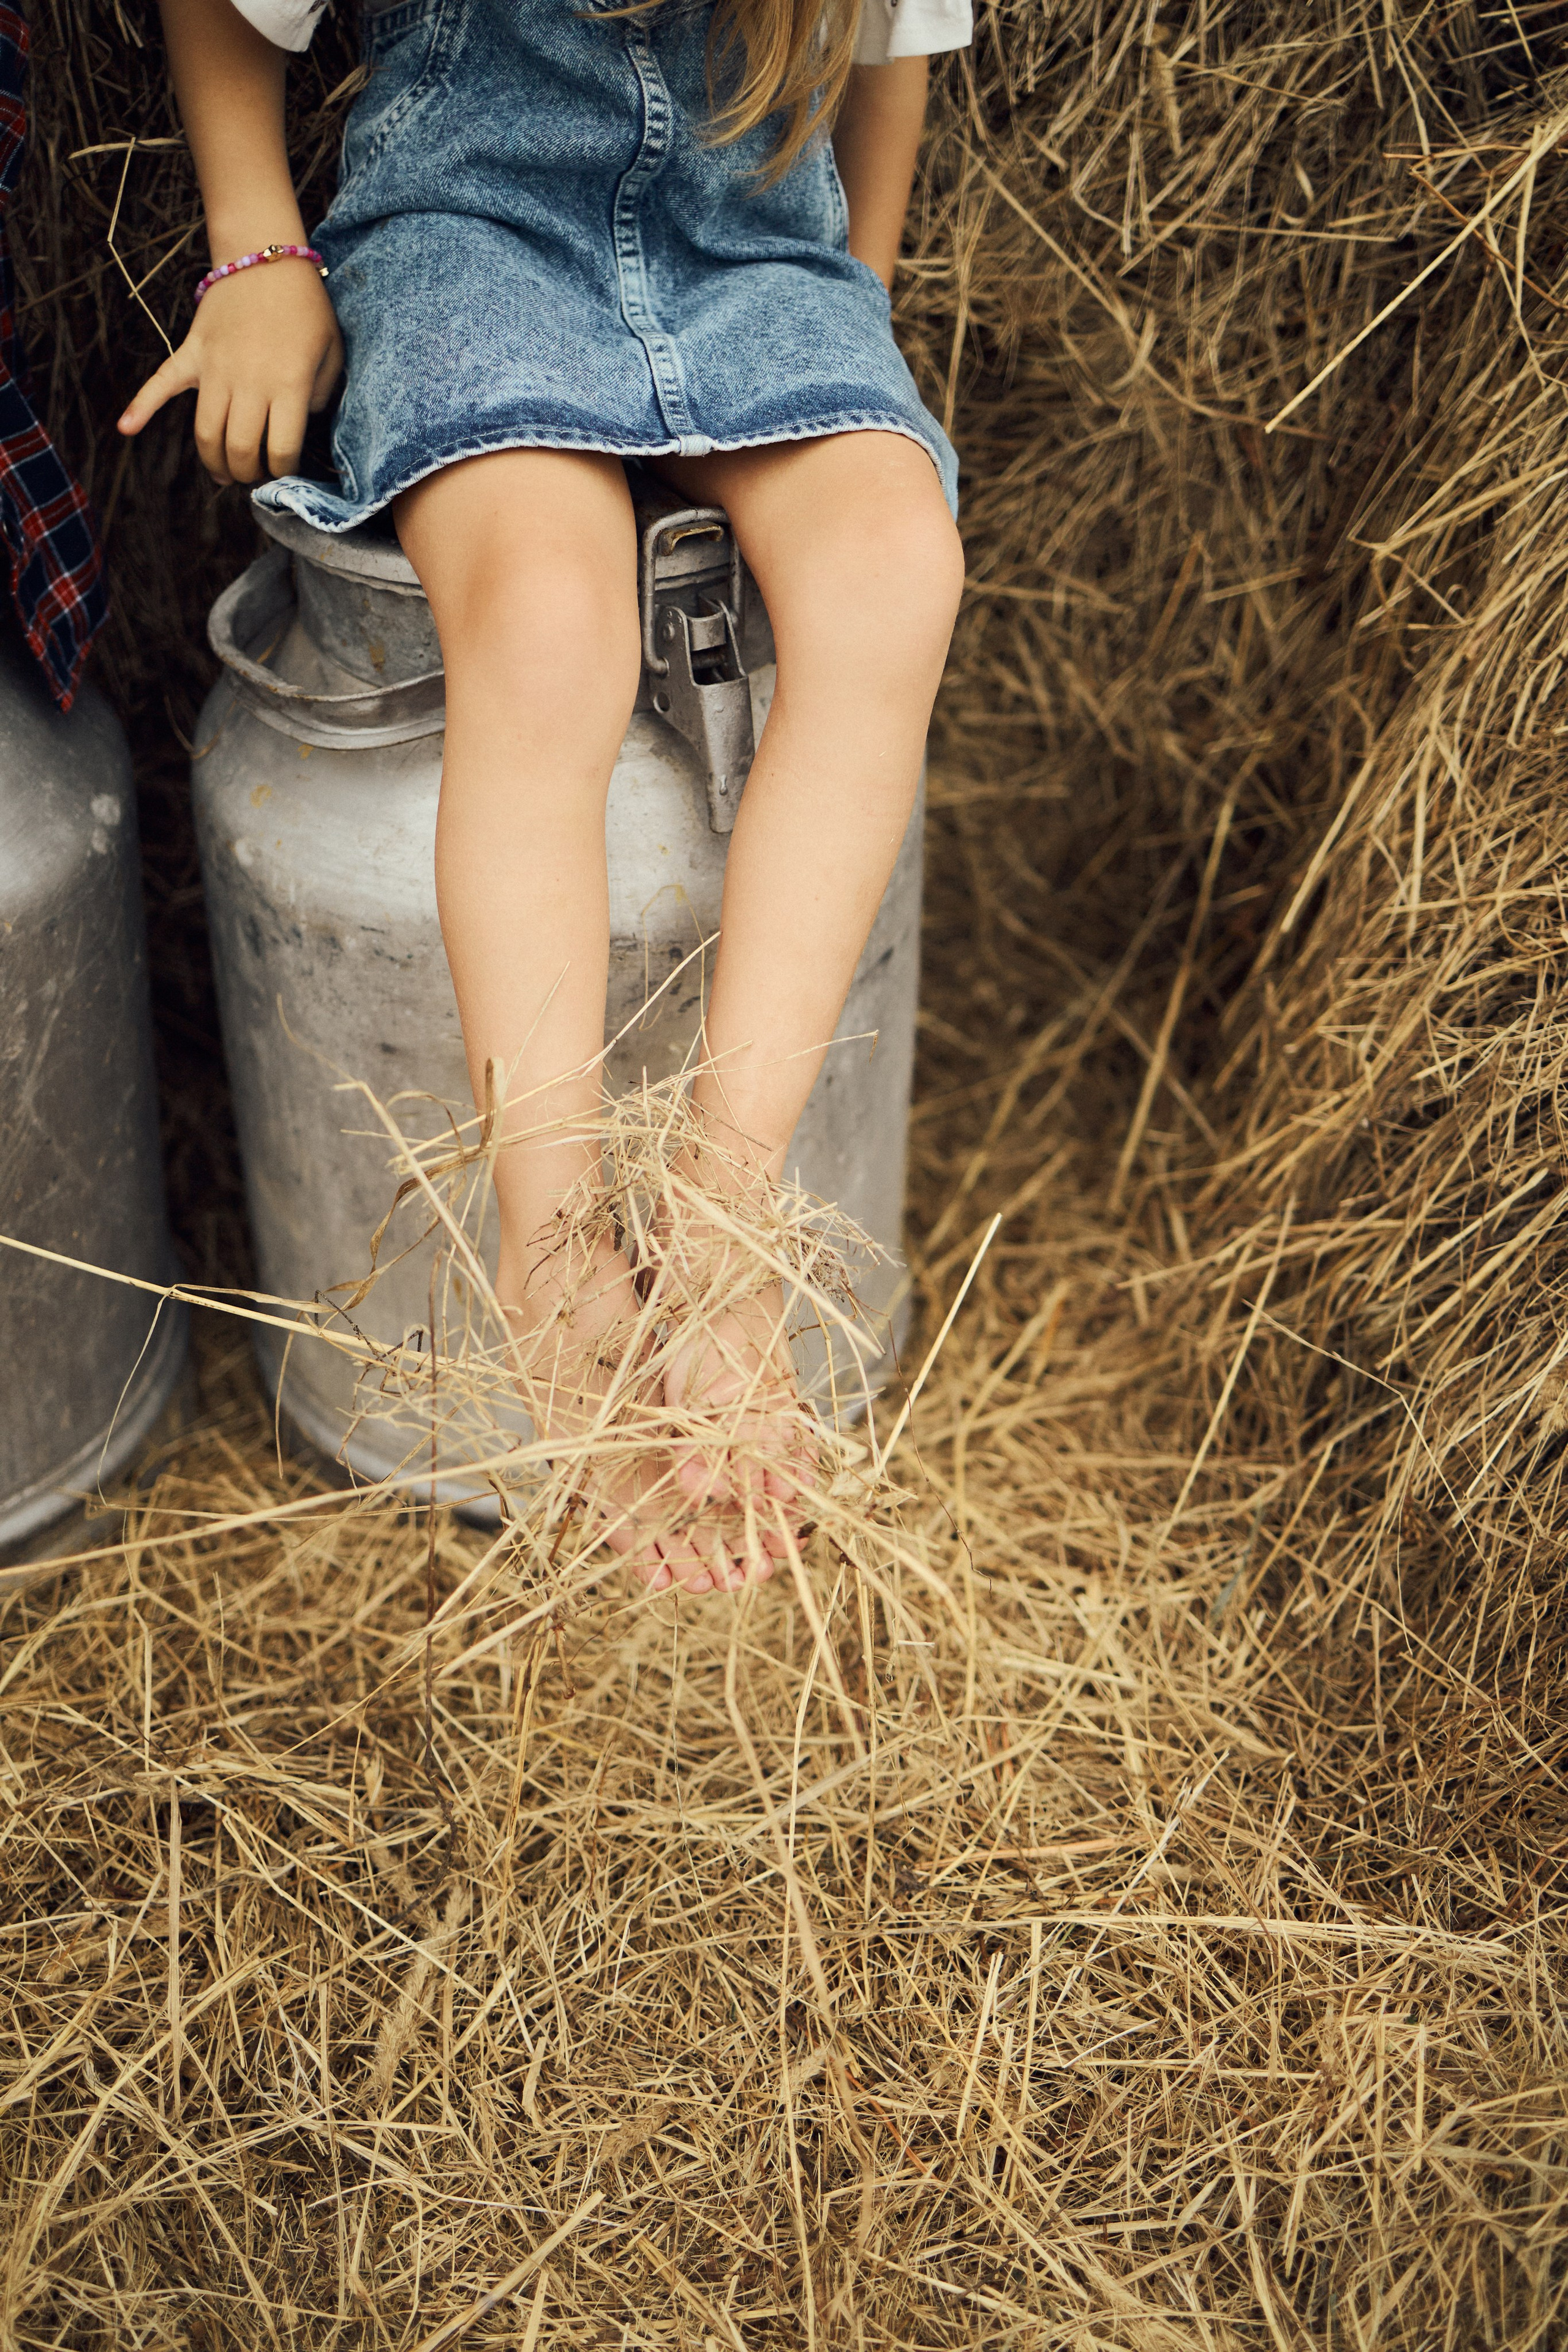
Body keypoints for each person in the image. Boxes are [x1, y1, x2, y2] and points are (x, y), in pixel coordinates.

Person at [121, 0, 968, 1596]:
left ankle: (726, 1228)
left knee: (892, 564)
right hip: (473, 242)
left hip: (756, 259)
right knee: (549, 618)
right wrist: (257, 251)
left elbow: (893, 57)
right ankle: (556, 1249)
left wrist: (856, 312)